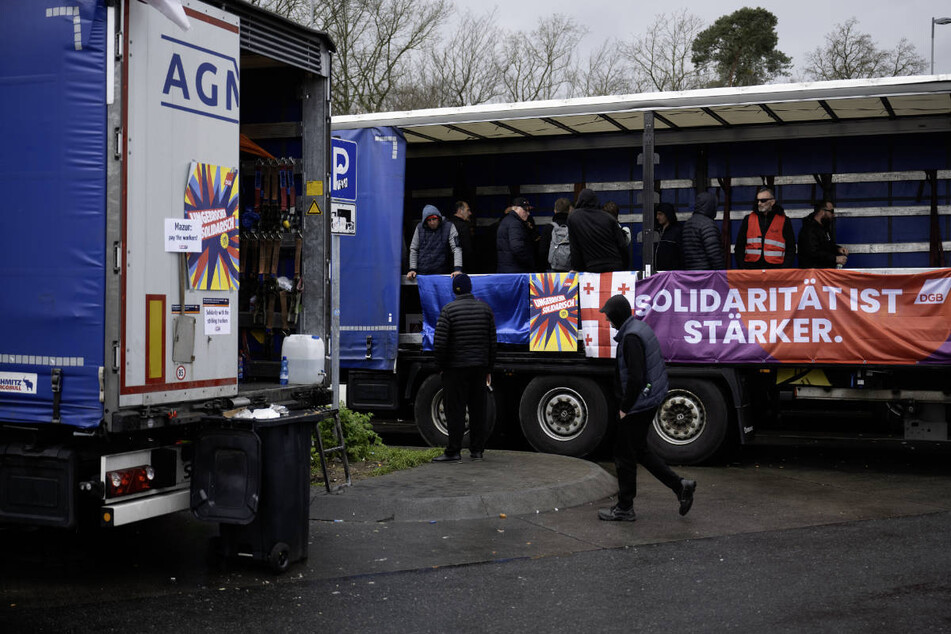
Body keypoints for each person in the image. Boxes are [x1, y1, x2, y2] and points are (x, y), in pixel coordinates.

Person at [597, 294, 696, 521]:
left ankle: (624, 507)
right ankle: (681, 486)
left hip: (638, 404)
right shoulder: (639, 327)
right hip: (648, 399)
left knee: (623, 455)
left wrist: (625, 407)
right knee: (639, 450)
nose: (607, 321)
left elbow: (635, 377)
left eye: (609, 316)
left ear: (617, 316)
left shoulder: (631, 338)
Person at [432, 273, 497, 462]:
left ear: (454, 290)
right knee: (478, 410)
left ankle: (453, 451)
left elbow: (440, 343)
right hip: (479, 367)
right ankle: (477, 451)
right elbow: (492, 342)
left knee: (455, 410)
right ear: (470, 288)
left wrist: (441, 366)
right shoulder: (485, 310)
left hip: (455, 369)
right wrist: (488, 369)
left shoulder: (448, 310)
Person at [567, 188, 629, 272]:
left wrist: (577, 268)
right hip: (615, 264)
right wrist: (624, 265)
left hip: (592, 266)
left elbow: (575, 247)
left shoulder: (573, 217)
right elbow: (622, 245)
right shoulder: (609, 218)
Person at [735, 186, 796, 269]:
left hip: (776, 270)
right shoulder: (748, 219)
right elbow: (739, 247)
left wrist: (784, 269)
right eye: (758, 200)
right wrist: (743, 267)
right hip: (752, 269)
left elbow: (791, 248)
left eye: (763, 200)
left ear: (772, 202)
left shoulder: (784, 220)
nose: (759, 203)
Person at [407, 204, 462, 278]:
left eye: (434, 219)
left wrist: (457, 269)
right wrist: (412, 269)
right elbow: (414, 249)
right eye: (429, 220)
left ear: (439, 218)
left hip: (442, 272)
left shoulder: (449, 226)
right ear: (425, 221)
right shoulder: (419, 228)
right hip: (422, 273)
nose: (432, 222)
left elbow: (456, 248)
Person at [798, 199, 848, 269]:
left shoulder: (824, 228)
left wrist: (838, 249)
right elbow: (812, 252)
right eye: (831, 211)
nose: (833, 215)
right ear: (822, 211)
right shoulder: (809, 229)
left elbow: (827, 246)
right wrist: (835, 258)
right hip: (813, 273)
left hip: (823, 272)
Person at [681, 192, 723, 270]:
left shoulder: (688, 223)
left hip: (690, 274)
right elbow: (714, 255)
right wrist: (722, 274)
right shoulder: (708, 224)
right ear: (711, 206)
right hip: (706, 275)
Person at [496, 197, 536, 273]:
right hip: (516, 270)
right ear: (515, 208)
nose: (528, 213)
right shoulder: (515, 223)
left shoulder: (507, 220)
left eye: (528, 210)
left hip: (508, 268)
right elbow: (517, 248)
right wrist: (529, 262)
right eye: (525, 210)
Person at [541, 197, 573, 272]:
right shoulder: (573, 227)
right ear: (569, 210)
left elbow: (543, 251)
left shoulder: (548, 228)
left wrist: (542, 269)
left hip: (551, 268)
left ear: (555, 210)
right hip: (570, 270)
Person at [447, 200, 476, 273]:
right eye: (468, 210)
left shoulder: (447, 224)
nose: (470, 213)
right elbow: (467, 250)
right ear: (460, 211)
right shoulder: (463, 226)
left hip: (447, 267)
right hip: (462, 268)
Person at [654, 202, 683, 271]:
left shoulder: (677, 231)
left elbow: (681, 255)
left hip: (672, 275)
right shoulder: (657, 231)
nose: (657, 217)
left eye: (660, 214)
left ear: (668, 214)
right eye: (657, 214)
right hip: (657, 274)